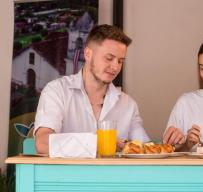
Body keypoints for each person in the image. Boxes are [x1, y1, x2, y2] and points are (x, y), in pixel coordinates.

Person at [34, 24, 150, 154]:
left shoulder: (128, 104)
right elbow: (42, 143)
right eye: (109, 58)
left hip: (114, 175)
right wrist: (95, 144)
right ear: (88, 54)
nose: (115, 67)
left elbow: (145, 148)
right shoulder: (56, 91)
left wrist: (175, 145)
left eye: (120, 61)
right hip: (67, 175)